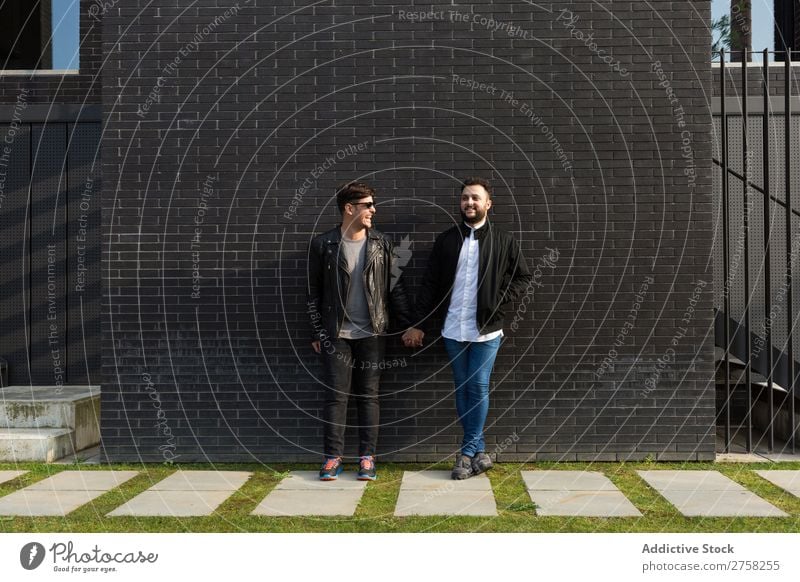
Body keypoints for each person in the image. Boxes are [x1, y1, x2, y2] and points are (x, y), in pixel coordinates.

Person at [403, 177, 531, 480]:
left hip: (486, 330)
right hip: (452, 328)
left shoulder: (504, 240)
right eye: (464, 198)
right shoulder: (447, 240)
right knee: (462, 387)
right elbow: (430, 284)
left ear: (488, 203)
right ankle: (479, 451)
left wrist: (498, 302)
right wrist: (417, 323)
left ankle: (466, 452)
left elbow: (522, 277)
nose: (469, 203)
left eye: (475, 198)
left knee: (478, 386)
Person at [308, 182, 412, 481]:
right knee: (336, 397)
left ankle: (367, 458)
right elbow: (312, 292)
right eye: (368, 205)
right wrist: (317, 331)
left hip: (372, 333)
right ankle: (332, 458)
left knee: (369, 396)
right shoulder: (323, 244)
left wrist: (410, 324)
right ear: (349, 208)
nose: (373, 210)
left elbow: (395, 288)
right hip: (336, 334)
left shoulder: (382, 243)